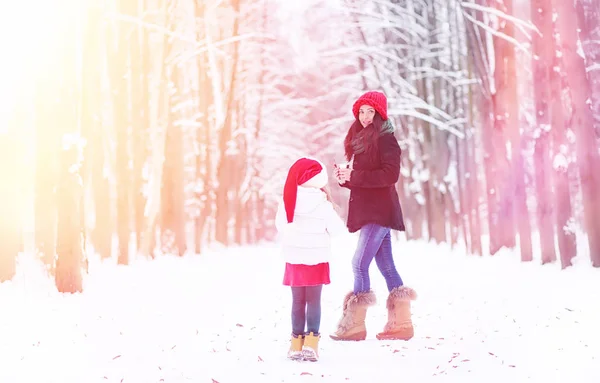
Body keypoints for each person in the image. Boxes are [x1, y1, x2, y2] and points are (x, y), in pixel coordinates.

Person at [330, 91, 417, 342]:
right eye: (361, 111)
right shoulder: (362, 140)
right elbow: (366, 177)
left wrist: (355, 177)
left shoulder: (386, 139)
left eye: (370, 111)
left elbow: (389, 175)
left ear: (380, 113)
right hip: (370, 210)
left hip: (380, 211)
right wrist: (346, 178)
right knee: (387, 266)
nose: (365, 116)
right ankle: (401, 325)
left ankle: (354, 326)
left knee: (359, 264)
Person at [275, 157, 347, 361]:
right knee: (314, 301)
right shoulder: (323, 204)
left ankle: (295, 346)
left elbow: (281, 226)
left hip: (295, 259)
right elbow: (337, 230)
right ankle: (312, 346)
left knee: (297, 301)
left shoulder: (288, 200)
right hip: (317, 259)